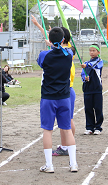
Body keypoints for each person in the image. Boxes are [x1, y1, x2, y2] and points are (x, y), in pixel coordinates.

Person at [36, 27, 77, 173]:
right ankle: (73, 164)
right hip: (64, 97)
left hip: (48, 97)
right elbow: (64, 49)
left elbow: (41, 62)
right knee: (66, 130)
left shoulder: (44, 55)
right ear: (63, 40)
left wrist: (50, 44)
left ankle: (49, 165)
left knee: (47, 131)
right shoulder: (69, 54)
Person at [81, 44, 104, 135]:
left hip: (97, 89)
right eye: (90, 50)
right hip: (87, 89)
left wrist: (85, 65)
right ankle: (89, 127)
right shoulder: (86, 63)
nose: (92, 52)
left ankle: (98, 127)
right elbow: (83, 74)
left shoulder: (99, 61)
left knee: (98, 108)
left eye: (94, 50)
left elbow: (93, 65)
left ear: (98, 52)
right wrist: (85, 78)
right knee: (88, 108)